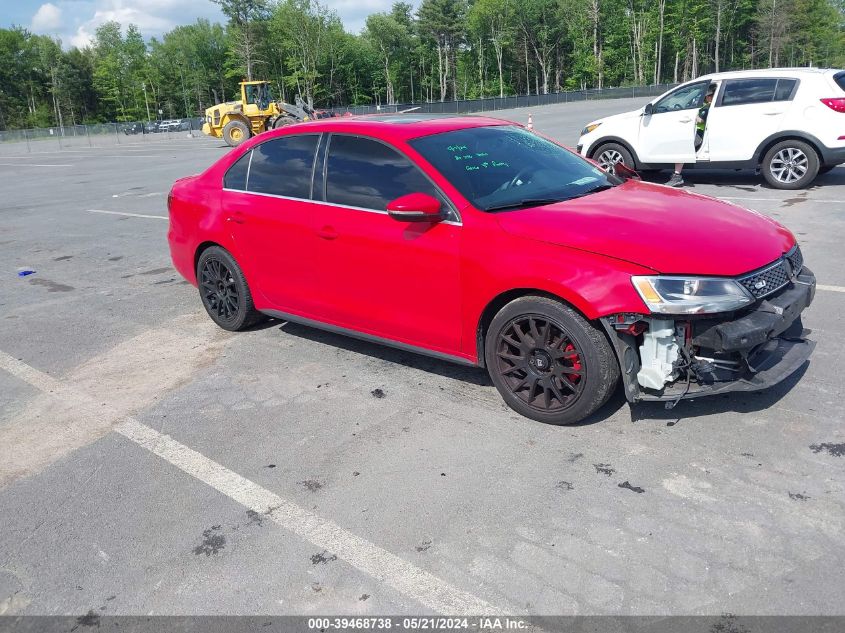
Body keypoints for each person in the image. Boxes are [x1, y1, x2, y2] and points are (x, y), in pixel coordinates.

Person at [666, 84, 716, 187]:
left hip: (699, 135)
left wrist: (692, 116)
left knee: (681, 149)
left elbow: (701, 120)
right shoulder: (705, 105)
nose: (706, 97)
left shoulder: (708, 108)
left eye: (708, 96)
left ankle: (677, 176)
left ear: (711, 97)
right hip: (696, 133)